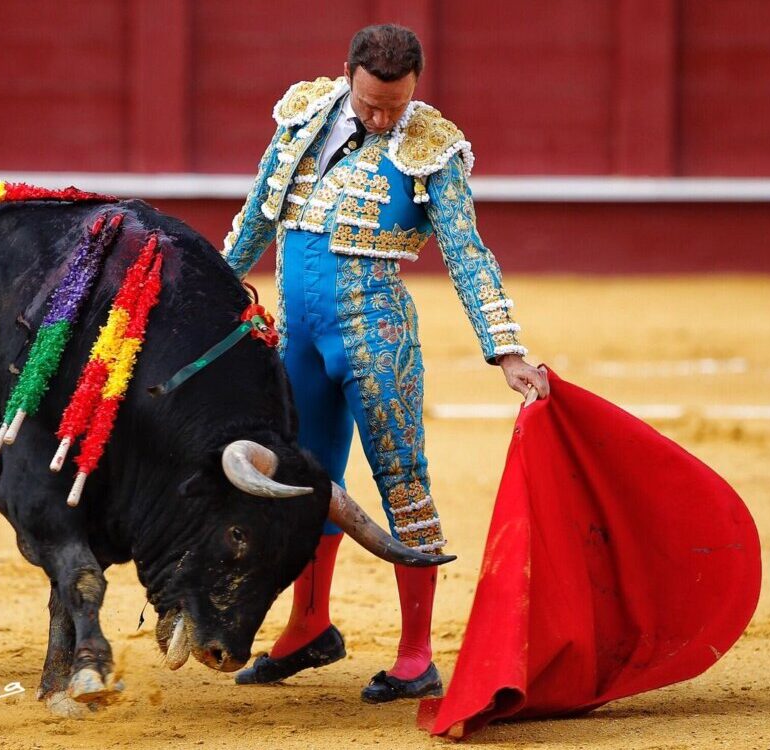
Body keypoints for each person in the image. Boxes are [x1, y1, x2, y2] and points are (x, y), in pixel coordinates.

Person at [221, 24, 550, 703]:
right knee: (306, 480)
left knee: (403, 481)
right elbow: (257, 216)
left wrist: (507, 349)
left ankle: (417, 655)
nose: (380, 118)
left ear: (414, 89)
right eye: (370, 103)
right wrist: (211, 290)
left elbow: (466, 253)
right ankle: (308, 626)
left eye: (394, 107)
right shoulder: (305, 114)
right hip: (299, 341)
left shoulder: (434, 146)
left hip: (377, 339)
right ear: (347, 74)